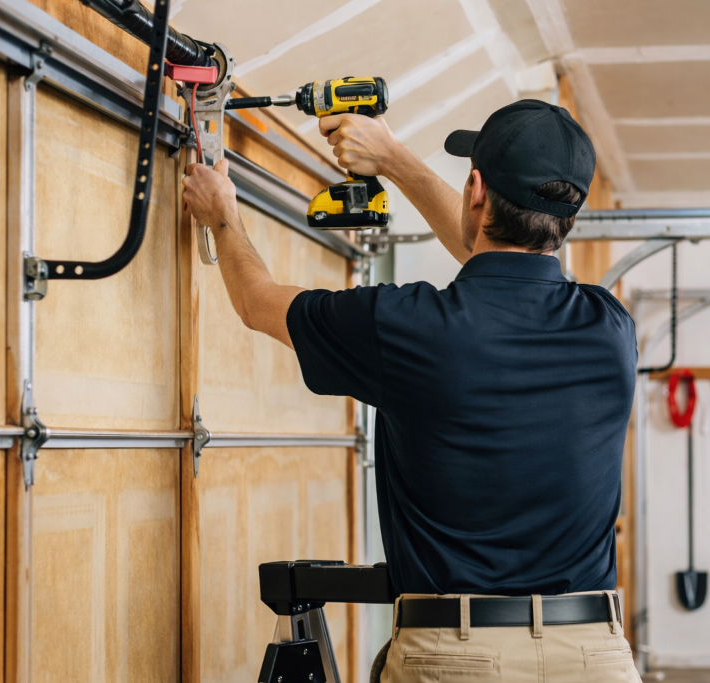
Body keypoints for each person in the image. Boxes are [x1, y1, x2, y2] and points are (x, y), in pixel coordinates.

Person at [183, 99, 640, 683]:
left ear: (475, 189)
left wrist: (222, 213)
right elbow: (504, 266)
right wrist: (394, 160)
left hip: (457, 659)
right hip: (595, 657)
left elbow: (255, 302)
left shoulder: (407, 327)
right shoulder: (610, 330)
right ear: (569, 214)